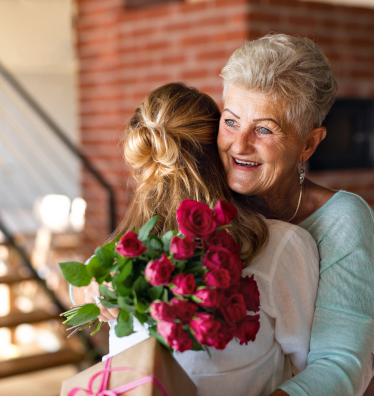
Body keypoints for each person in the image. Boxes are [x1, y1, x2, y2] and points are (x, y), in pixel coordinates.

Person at [73, 82, 321, 396]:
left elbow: (79, 286)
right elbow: (312, 368)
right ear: (218, 151)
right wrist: (88, 288)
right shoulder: (282, 246)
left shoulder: (124, 251)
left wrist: (87, 288)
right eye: (230, 125)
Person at [217, 33, 374, 396]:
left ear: (308, 143)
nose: (239, 144)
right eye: (230, 121)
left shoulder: (343, 220)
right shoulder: (203, 189)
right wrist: (85, 287)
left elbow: (340, 364)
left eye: (263, 129)